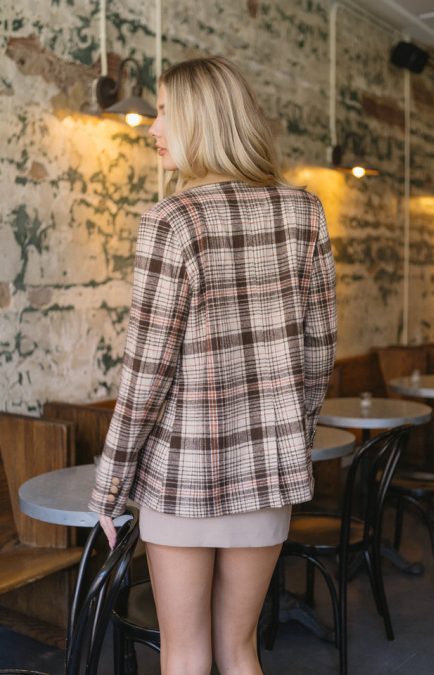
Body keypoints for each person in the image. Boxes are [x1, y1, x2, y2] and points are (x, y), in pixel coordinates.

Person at [89, 56, 337, 675]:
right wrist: (290, 441)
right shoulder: (305, 212)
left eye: (164, 111)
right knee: (240, 648)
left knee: (186, 654)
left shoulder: (172, 220)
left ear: (203, 119)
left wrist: (109, 486)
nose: (153, 127)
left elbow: (146, 375)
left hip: (182, 475)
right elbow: (319, 353)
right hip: (268, 472)